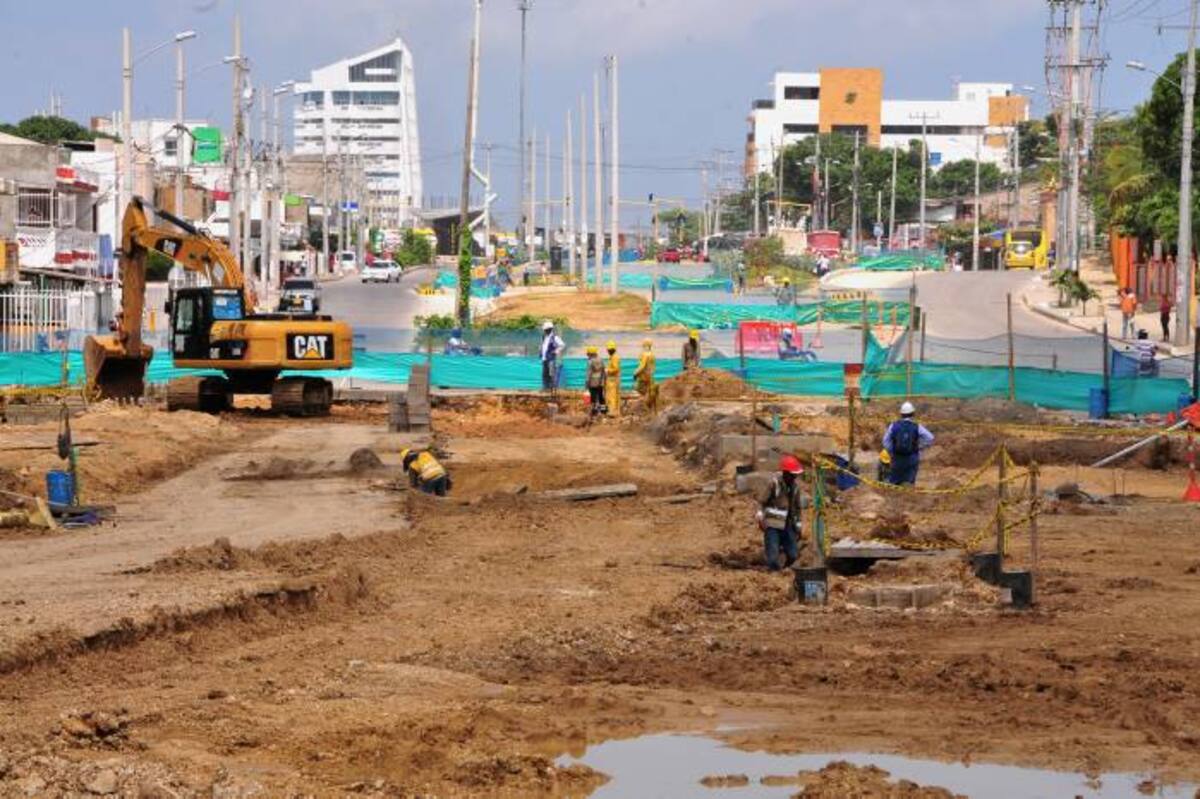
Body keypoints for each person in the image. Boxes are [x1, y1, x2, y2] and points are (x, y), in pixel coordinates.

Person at [756, 454, 806, 571]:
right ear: (786, 473)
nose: (795, 477)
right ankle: (774, 573)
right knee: (772, 559)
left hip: (788, 525)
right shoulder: (774, 484)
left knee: (793, 555)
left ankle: (785, 566)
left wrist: (798, 525)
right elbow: (762, 501)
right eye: (793, 474)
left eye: (796, 475)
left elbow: (797, 508)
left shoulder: (795, 488)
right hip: (773, 524)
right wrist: (759, 514)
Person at [882, 401, 934, 486]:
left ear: (901, 414)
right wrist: (919, 447)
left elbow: (885, 441)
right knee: (909, 484)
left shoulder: (893, 425)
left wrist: (892, 452)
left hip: (897, 458)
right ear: (913, 413)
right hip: (912, 458)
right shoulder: (916, 426)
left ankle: (894, 498)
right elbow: (930, 438)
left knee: (894, 484)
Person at [634, 338, 658, 413]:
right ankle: (651, 408)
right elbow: (654, 367)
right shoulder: (652, 355)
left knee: (639, 389)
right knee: (649, 391)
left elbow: (642, 366)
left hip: (643, 377)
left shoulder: (645, 355)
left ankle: (644, 407)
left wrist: (635, 373)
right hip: (650, 376)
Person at [540, 320, 564, 391]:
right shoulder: (544, 337)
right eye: (544, 330)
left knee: (551, 374)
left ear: (549, 329)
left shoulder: (555, 337)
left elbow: (562, 345)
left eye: (546, 330)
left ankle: (551, 389)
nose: (545, 331)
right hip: (544, 359)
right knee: (544, 374)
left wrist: (555, 351)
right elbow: (544, 346)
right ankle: (545, 388)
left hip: (551, 359)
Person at [585, 345, 607, 416]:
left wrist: (586, 384)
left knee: (593, 398)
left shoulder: (590, 362)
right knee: (601, 397)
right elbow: (604, 370)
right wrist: (604, 380)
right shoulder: (601, 360)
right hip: (600, 382)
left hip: (592, 382)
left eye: (588, 353)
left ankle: (594, 412)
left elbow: (588, 374)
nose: (587, 355)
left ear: (591, 354)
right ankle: (603, 411)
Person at [604, 340, 622, 418]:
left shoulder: (614, 357)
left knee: (612, 395)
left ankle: (612, 411)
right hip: (613, 379)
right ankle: (615, 411)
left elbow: (616, 368)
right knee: (614, 395)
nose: (608, 351)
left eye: (608, 350)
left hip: (612, 380)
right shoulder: (613, 357)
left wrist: (608, 370)